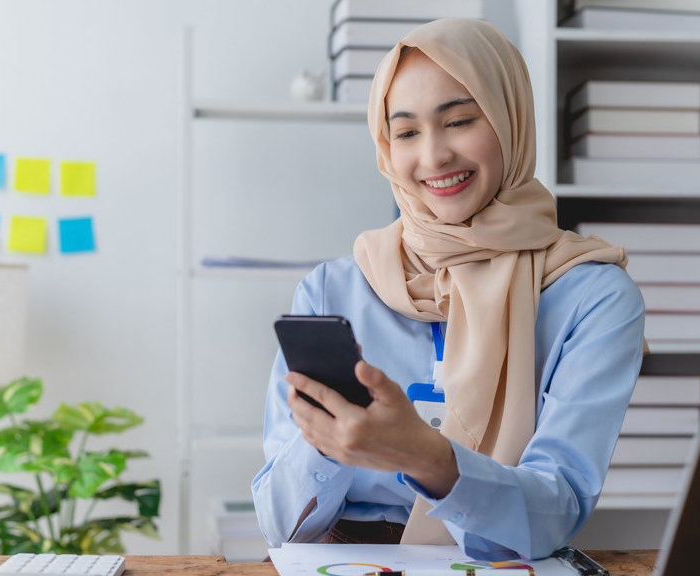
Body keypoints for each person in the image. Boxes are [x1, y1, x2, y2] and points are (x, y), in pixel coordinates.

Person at [251, 18, 645, 561]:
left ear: (512, 120)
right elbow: (277, 522)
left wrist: (431, 460)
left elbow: (560, 506)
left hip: (504, 565)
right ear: (386, 147)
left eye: (458, 121)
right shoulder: (333, 290)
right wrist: (332, 443)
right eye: (407, 132)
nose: (433, 157)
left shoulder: (592, 296)